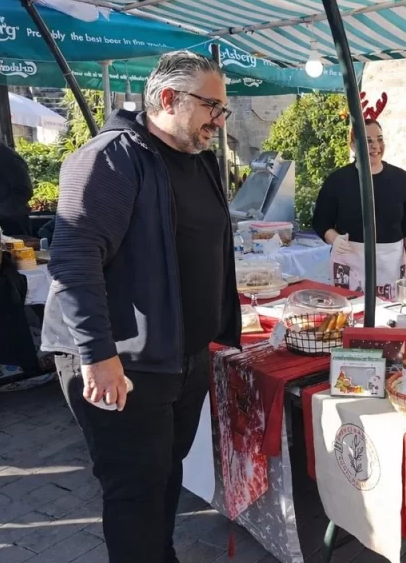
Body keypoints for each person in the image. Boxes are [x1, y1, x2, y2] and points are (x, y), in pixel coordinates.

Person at [40, 50, 240, 563]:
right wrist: (97, 355)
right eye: (212, 107)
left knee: (165, 474)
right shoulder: (112, 156)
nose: (219, 121)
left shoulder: (200, 162)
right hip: (121, 364)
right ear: (169, 99)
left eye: (223, 110)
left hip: (183, 358)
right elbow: (73, 257)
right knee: (134, 492)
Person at [312, 94, 406, 297]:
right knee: (351, 317)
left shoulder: (402, 179)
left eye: (379, 140)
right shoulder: (338, 180)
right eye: (368, 140)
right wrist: (334, 239)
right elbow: (321, 221)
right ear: (353, 146)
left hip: (391, 262)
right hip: (350, 259)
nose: (375, 146)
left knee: (387, 319)